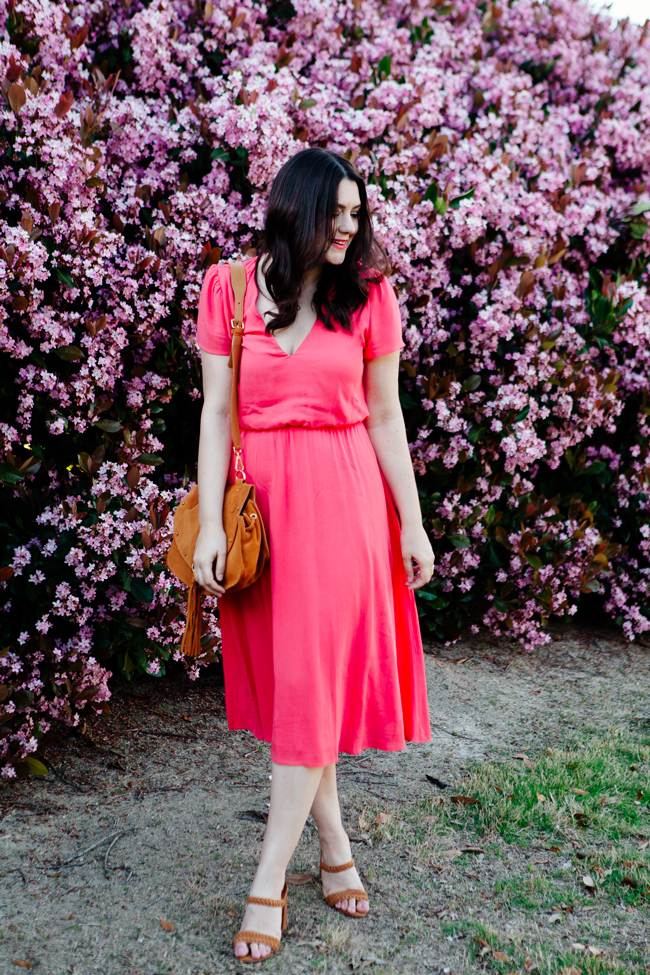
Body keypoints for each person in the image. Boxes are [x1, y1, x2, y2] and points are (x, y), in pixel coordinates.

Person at [193, 147, 433, 963]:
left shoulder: (368, 295)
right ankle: (335, 846)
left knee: (309, 692)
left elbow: (386, 418)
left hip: (344, 506)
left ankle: (266, 883)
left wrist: (412, 522)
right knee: (304, 694)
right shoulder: (226, 288)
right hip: (262, 515)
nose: (350, 229)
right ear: (294, 209)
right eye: (336, 214)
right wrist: (215, 526)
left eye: (357, 215)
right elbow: (216, 411)